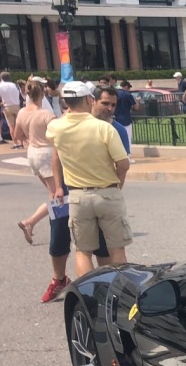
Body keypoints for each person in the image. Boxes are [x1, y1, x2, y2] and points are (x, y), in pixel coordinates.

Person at [46, 81, 131, 278]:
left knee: (83, 251)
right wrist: (116, 184)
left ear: (66, 102)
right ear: (88, 99)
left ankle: (89, 295)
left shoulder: (56, 128)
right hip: (107, 191)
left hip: (77, 195)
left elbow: (56, 149)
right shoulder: (104, 128)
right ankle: (120, 293)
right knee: (117, 248)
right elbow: (123, 164)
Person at [16, 78, 59, 246]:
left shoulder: (22, 112)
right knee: (57, 195)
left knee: (54, 193)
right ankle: (31, 222)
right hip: (47, 153)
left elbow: (16, 136)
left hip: (32, 153)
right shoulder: (46, 114)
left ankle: (45, 223)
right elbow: (59, 135)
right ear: (43, 93)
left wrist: (30, 136)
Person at [0, 72, 22, 148]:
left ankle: (15, 143)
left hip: (7, 106)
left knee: (11, 126)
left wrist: (0, 103)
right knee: (19, 125)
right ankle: (21, 142)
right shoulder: (14, 85)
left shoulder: (0, 86)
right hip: (16, 105)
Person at [115, 80, 138, 151]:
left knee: (117, 139)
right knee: (127, 139)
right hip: (126, 119)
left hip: (115, 119)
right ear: (126, 87)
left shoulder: (115, 93)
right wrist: (137, 101)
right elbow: (136, 108)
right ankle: (128, 156)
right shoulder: (127, 95)